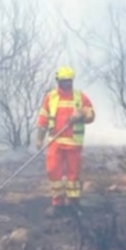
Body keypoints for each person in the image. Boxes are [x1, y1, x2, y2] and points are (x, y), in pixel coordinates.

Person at [35, 66, 96, 216]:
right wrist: (39, 138)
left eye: (69, 81)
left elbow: (91, 114)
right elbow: (43, 118)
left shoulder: (79, 97)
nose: (67, 84)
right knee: (53, 172)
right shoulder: (51, 97)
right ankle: (57, 203)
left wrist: (81, 114)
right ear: (58, 81)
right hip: (55, 142)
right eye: (64, 81)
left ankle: (74, 203)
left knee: (73, 175)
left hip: (73, 142)